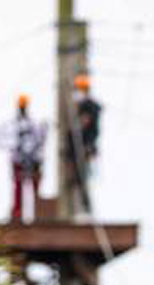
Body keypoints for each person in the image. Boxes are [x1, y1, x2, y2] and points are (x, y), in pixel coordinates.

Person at [0, 95, 47, 223]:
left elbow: (40, 140)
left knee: (34, 187)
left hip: (33, 160)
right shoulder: (12, 125)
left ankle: (37, 213)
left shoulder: (34, 124)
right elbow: (0, 139)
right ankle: (17, 214)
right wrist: (14, 147)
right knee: (18, 187)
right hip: (19, 160)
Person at [68, 74, 102, 211]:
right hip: (85, 145)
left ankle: (85, 203)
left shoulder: (89, 106)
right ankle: (83, 197)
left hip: (86, 146)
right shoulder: (87, 105)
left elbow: (86, 123)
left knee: (83, 174)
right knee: (82, 173)